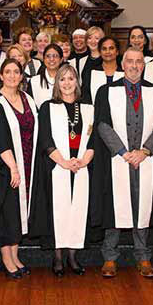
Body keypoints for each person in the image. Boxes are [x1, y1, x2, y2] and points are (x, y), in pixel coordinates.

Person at [92, 47, 153, 279]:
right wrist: (123, 152)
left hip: (146, 159)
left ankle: (143, 256)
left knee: (143, 207)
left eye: (138, 61)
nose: (134, 65)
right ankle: (109, 257)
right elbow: (102, 124)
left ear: (144, 65)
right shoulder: (106, 91)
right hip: (117, 159)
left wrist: (145, 151)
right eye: (129, 61)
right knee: (115, 206)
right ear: (122, 63)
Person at [29, 64, 94, 277]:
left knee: (78, 210)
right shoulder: (48, 107)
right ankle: (57, 256)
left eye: (71, 79)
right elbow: (45, 139)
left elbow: (93, 139)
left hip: (81, 167)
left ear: (77, 82)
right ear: (57, 83)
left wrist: (83, 160)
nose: (67, 83)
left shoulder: (88, 108)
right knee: (58, 210)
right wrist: (64, 162)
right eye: (62, 79)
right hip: (56, 166)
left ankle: (73, 255)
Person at [0, 59, 38, 280]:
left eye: (17, 72)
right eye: (8, 72)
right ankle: (7, 259)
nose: (13, 75)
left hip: (27, 164)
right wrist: (14, 168)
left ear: (22, 76)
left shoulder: (28, 99)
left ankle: (15, 255)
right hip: (5, 168)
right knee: (7, 213)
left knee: (17, 213)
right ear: (1, 76)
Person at [80, 37, 124, 104]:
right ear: (100, 52)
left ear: (117, 52)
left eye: (111, 48)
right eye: (104, 49)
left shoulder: (124, 74)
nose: (107, 52)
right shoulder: (90, 73)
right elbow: (85, 98)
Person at [28, 44, 63, 108]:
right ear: (43, 59)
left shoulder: (67, 80)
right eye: (48, 56)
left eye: (55, 56)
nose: (51, 59)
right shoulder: (34, 81)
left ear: (61, 59)